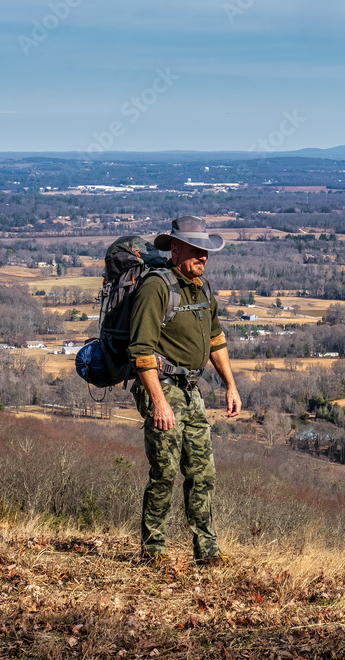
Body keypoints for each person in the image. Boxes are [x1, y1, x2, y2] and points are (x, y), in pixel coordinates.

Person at [128, 216, 241, 567]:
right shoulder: (156, 288)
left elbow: (216, 340)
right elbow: (141, 351)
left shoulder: (202, 289)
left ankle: (207, 551)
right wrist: (159, 403)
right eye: (196, 251)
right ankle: (153, 550)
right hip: (162, 387)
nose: (203, 258)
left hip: (192, 389)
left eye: (206, 252)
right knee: (164, 470)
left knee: (202, 472)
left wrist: (230, 386)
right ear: (175, 249)